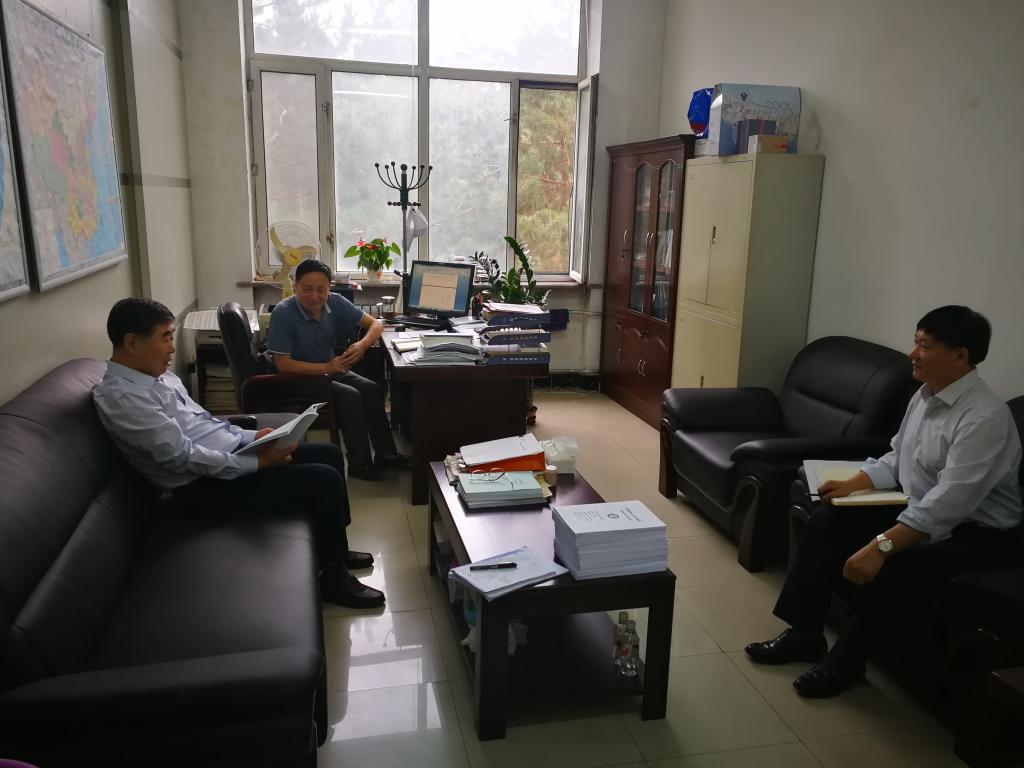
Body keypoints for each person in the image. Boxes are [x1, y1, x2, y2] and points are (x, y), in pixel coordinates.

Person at [746, 305, 1022, 698]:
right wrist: (854, 483)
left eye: (924, 346)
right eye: (915, 342)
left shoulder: (984, 418)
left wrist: (881, 546)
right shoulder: (925, 395)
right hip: (919, 509)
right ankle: (804, 635)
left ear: (960, 356)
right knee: (827, 520)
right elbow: (898, 455)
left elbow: (950, 502)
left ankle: (846, 664)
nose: (913, 354)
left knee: (894, 563)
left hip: (979, 534)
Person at [93, 297, 384, 609]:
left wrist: (254, 436)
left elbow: (205, 423)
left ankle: (335, 550)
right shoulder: (124, 398)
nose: (172, 349)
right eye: (165, 338)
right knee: (323, 480)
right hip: (198, 486)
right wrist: (256, 462)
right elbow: (183, 457)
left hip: (225, 455)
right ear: (132, 343)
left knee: (328, 453)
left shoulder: (159, 377)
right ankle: (333, 578)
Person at [266, 259, 408, 481]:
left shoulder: (335, 302)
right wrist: (327, 366)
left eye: (321, 290)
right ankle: (359, 464)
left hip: (328, 371)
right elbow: (282, 364)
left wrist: (362, 345)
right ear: (295, 285)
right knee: (350, 396)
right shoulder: (283, 313)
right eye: (307, 289)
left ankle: (387, 455)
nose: (315, 296)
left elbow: (376, 325)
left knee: (372, 389)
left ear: (328, 288)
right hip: (297, 377)